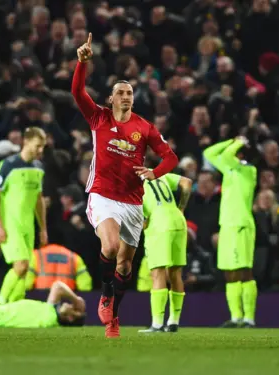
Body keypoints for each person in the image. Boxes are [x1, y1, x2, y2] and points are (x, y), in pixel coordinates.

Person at [72, 33, 178, 338]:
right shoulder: (98, 118)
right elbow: (77, 91)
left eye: (130, 92)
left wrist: (154, 173)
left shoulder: (144, 127)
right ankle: (105, 295)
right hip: (103, 195)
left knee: (126, 267)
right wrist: (82, 63)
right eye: (120, 92)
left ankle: (114, 317)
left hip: (133, 202)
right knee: (110, 245)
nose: (126, 97)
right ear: (110, 99)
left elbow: (170, 157)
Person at [203, 136, 258, 328]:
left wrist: (238, 142)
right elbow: (208, 153)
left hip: (240, 225)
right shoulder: (230, 170)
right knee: (229, 272)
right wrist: (231, 140)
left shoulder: (248, 171)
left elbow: (225, 155)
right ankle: (236, 317)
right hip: (226, 226)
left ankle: (249, 317)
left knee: (244, 271)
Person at [0, 127, 48, 305]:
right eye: (38, 146)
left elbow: (39, 199)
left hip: (28, 225)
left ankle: (13, 307)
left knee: (24, 270)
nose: (40, 150)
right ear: (26, 141)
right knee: (21, 265)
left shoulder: (39, 168)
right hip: (11, 225)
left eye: (43, 146)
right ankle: (0, 304)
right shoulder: (9, 165)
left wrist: (43, 228)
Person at [138, 172, 192, 333]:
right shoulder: (157, 173)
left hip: (159, 224)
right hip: (178, 220)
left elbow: (142, 217)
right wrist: (181, 207)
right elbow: (187, 182)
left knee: (158, 273)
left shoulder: (130, 182)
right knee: (175, 272)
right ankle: (173, 322)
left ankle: (157, 323)